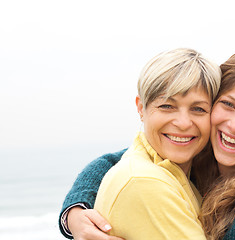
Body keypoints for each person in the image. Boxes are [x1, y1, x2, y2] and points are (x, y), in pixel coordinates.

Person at [59, 51, 235, 240]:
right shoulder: (199, 158)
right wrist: (74, 213)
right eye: (228, 104)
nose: (234, 125)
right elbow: (115, 162)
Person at [59, 48, 222, 240]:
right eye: (166, 106)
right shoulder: (144, 182)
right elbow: (125, 171)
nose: (184, 123)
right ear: (141, 108)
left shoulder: (180, 169)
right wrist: (74, 210)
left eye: (198, 109)